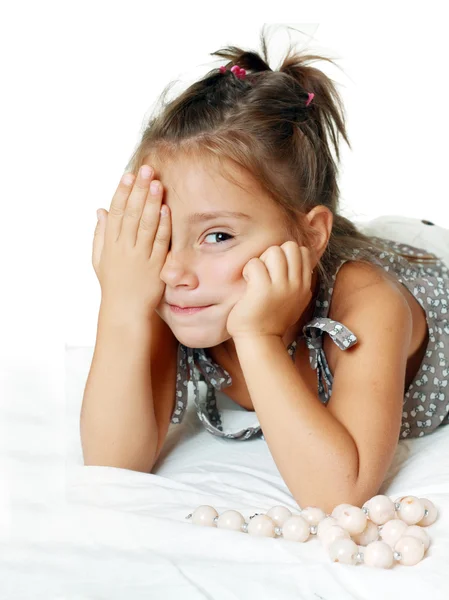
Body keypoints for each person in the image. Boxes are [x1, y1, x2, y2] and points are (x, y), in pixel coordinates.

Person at [83, 25, 449, 511]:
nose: (176, 271)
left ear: (311, 236)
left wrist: (258, 337)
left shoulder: (367, 305)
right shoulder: (176, 286)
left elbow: (339, 491)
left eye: (218, 236)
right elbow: (112, 462)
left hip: (423, 265)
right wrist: (122, 304)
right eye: (163, 234)